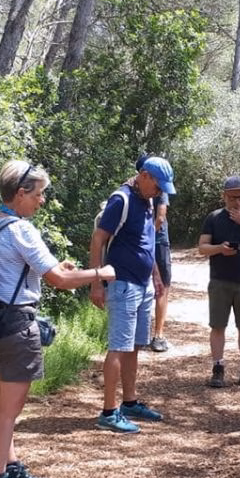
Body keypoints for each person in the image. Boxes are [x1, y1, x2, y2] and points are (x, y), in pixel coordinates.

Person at [0, 160, 117, 478]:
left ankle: (9, 468)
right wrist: (101, 272)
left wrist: (63, 270)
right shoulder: (21, 230)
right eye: (38, 195)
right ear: (20, 193)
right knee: (7, 411)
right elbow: (60, 280)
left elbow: (31, 271)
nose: (41, 201)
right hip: (16, 328)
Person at [89, 156, 175, 433]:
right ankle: (108, 411)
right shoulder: (121, 199)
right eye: (158, 185)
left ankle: (129, 401)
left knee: (136, 345)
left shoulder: (147, 200)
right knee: (119, 346)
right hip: (123, 284)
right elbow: (98, 239)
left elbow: (146, 242)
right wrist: (95, 282)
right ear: (145, 176)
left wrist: (156, 276)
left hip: (143, 284)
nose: (160, 191)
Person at [197, 175, 240, 389]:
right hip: (219, 280)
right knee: (218, 326)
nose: (238, 202)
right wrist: (220, 249)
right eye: (233, 197)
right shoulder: (214, 218)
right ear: (224, 196)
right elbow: (202, 248)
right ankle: (218, 370)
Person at [148, 165, 173, 353]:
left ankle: (141, 335)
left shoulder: (136, 188)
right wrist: (149, 237)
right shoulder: (161, 187)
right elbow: (161, 217)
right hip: (158, 241)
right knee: (163, 287)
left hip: (144, 242)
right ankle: (158, 335)